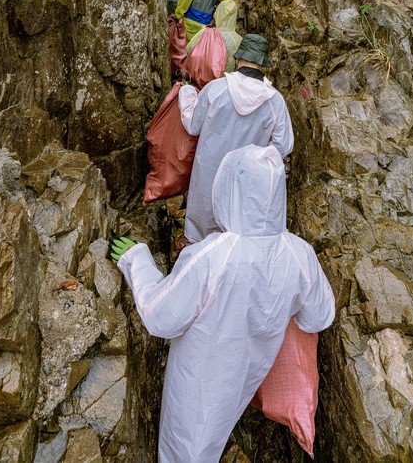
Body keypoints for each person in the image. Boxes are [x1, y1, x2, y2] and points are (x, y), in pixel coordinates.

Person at [110, 144, 335, 463]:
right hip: (248, 374)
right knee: (219, 427)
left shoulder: (211, 256)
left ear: (228, 190)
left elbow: (161, 318)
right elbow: (318, 317)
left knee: (186, 446)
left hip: (199, 380)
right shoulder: (300, 255)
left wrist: (137, 260)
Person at [179, 34, 294, 243]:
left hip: (208, 172)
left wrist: (186, 93)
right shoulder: (275, 101)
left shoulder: (215, 89)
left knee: (201, 234)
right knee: (235, 233)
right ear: (262, 63)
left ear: (239, 58)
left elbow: (193, 126)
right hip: (245, 179)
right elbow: (283, 146)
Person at [186, 0, 242, 72]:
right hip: (226, 80)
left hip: (202, 76)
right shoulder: (239, 40)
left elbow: (189, 49)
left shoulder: (205, 32)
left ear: (217, 13)